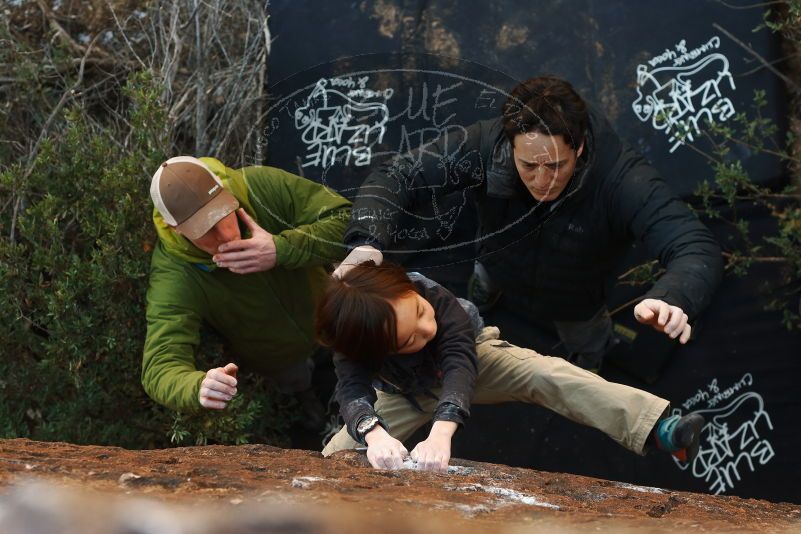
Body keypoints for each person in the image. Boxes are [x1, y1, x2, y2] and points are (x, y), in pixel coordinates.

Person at [335, 76, 723, 370]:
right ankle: (489, 299)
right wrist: (367, 241)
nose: (542, 180)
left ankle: (589, 364)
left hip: (575, 296)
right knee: (482, 286)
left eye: (556, 165)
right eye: (528, 165)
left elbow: (694, 245)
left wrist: (673, 297)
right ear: (510, 146)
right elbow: (400, 174)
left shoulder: (622, 179)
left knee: (587, 342)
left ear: (581, 146)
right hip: (496, 262)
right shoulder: (484, 147)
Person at [317, 262, 704, 472]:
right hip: (405, 393)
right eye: (408, 339)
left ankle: (656, 427)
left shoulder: (432, 295)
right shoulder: (353, 341)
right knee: (338, 454)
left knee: (546, 374)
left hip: (473, 358)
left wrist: (441, 433)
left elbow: (458, 365)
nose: (426, 327)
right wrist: (374, 434)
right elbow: (352, 392)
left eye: (420, 312)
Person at [142, 156, 351, 425]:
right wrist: (198, 386)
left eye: (222, 213)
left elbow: (348, 220)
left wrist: (282, 249)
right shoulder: (176, 273)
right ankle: (310, 409)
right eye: (205, 230)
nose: (226, 236)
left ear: (225, 190)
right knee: (302, 391)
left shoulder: (257, 186)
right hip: (281, 359)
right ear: (177, 229)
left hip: (337, 315)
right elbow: (160, 366)